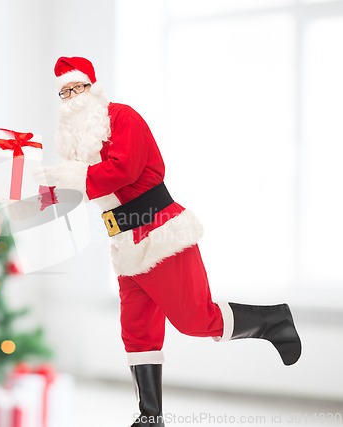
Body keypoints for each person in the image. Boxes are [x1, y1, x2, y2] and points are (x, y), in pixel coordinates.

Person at [34, 56, 302, 427]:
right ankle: (150, 418)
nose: (70, 97)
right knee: (137, 330)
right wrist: (39, 191)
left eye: (76, 88)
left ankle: (272, 320)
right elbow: (86, 187)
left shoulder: (122, 117)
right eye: (63, 92)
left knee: (196, 320)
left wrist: (69, 176)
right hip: (125, 241)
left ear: (92, 88)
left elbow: (122, 170)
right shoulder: (80, 149)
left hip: (160, 231)